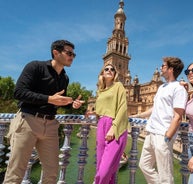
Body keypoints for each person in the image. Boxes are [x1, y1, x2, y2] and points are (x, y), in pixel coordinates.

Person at [3, 40, 84, 184]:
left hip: (51, 126)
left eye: (74, 54)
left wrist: (72, 104)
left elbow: (57, 102)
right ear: (56, 53)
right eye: (69, 53)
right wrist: (49, 99)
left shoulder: (64, 77)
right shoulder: (35, 67)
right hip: (28, 122)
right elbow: (19, 92)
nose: (72, 56)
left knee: (52, 173)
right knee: (15, 173)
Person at [132, 57, 188, 184]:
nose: (161, 68)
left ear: (171, 69)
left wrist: (168, 135)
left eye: (163, 66)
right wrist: (138, 115)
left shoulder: (179, 89)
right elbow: (155, 108)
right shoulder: (162, 87)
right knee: (144, 165)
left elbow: (178, 115)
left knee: (165, 173)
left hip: (162, 133)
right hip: (151, 132)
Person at [93, 63, 128, 184]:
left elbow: (123, 107)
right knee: (103, 168)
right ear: (102, 73)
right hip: (101, 125)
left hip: (114, 126)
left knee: (104, 171)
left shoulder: (118, 86)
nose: (109, 70)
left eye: (112, 69)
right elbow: (99, 111)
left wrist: (114, 127)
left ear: (115, 74)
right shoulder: (100, 91)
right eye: (106, 69)